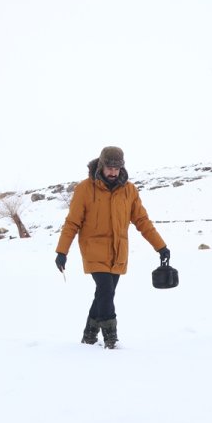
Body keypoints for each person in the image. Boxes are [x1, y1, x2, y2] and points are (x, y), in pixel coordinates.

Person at [54, 146, 170, 349]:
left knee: (103, 294)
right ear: (101, 165)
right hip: (93, 249)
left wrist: (161, 247)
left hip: (118, 252)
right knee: (106, 290)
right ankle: (111, 339)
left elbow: (142, 221)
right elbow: (72, 223)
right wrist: (62, 251)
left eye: (117, 169)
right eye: (109, 168)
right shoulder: (85, 189)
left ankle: (89, 336)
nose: (113, 173)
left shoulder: (129, 190)